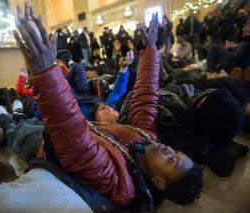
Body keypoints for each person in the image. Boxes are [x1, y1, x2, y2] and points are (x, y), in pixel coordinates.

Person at [14, 5, 202, 210]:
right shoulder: (147, 140)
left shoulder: (121, 186)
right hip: (62, 128)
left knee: (16, 129)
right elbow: (146, 99)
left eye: (171, 160)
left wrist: (46, 75)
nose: (168, 149)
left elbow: (78, 147)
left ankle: (6, 121)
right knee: (26, 117)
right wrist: (150, 51)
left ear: (158, 182)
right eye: (175, 151)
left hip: (43, 145)